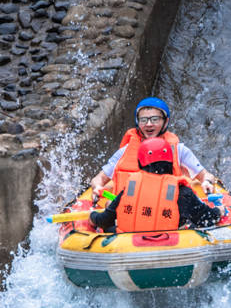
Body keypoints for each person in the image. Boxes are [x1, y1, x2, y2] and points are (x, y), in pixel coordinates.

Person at [88, 97, 218, 200]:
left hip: (169, 211)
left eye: (155, 119)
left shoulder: (179, 150)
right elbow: (98, 179)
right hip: (129, 210)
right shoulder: (125, 151)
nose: (149, 124)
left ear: (165, 122)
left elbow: (206, 175)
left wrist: (206, 182)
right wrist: (98, 187)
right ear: (137, 122)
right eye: (143, 120)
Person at [88, 137, 222, 233]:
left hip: (128, 245)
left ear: (140, 163)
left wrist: (92, 217)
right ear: (170, 162)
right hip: (171, 245)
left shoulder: (131, 187)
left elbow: (105, 220)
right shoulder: (182, 192)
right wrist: (219, 211)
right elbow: (206, 219)